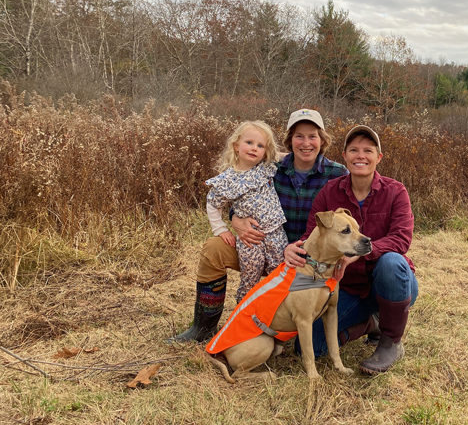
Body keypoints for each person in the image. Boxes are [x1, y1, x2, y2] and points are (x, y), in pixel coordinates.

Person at [170, 109, 347, 342]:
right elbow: (242, 195)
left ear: (322, 140)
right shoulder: (271, 166)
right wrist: (236, 221)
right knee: (214, 249)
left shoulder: (337, 174)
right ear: (289, 141)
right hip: (257, 244)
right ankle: (204, 327)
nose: (306, 143)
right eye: (299, 136)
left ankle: (279, 321)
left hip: (307, 260)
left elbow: (347, 223)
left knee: (316, 341)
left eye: (312, 136)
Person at [284, 125, 417, 374]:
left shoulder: (395, 191)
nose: (361, 156)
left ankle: (390, 342)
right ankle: (370, 323)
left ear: (379, 157)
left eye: (368, 150)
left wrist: (356, 255)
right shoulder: (330, 192)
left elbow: (401, 239)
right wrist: (293, 248)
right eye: (354, 150)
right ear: (344, 156)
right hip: (346, 287)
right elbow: (313, 233)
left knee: (391, 262)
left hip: (390, 283)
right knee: (309, 346)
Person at [204, 120, 287, 303]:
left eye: (260, 145)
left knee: (279, 273)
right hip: (249, 238)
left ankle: (275, 310)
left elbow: (282, 156)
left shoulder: (265, 168)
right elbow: (212, 204)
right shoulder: (227, 179)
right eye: (249, 143)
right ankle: (244, 309)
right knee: (251, 274)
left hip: (275, 232)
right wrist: (221, 229)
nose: (254, 148)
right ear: (236, 146)